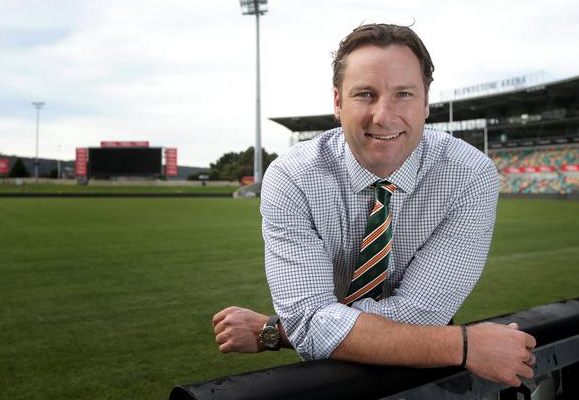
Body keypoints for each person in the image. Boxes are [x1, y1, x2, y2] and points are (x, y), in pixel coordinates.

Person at [213, 23, 536, 387]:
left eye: (403, 94)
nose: (383, 116)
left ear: (426, 103)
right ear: (337, 102)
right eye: (365, 94)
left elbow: (420, 316)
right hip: (331, 383)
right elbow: (308, 318)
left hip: (411, 381)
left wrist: (281, 331)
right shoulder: (292, 176)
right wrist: (463, 344)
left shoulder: (470, 175)